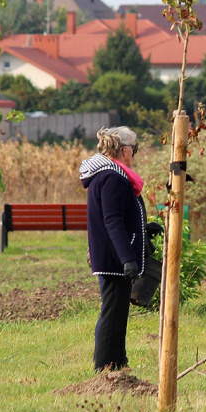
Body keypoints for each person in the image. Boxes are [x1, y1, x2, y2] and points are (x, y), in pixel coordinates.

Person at [79, 126, 160, 371]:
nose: (135, 154)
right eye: (134, 149)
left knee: (118, 313)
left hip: (114, 254)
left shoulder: (109, 174)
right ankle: (105, 367)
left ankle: (118, 362)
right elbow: (112, 221)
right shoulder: (113, 177)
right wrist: (127, 258)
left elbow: (120, 217)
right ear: (125, 150)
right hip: (115, 258)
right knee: (112, 313)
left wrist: (145, 229)